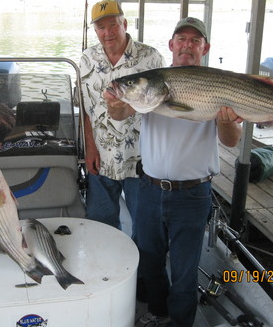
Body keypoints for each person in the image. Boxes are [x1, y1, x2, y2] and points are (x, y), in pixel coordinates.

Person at [104, 17, 243, 327]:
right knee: (150, 262)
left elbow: (231, 140)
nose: (187, 45)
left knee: (184, 269)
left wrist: (224, 120)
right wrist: (115, 100)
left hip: (193, 194)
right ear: (171, 45)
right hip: (150, 190)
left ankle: (181, 322)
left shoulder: (217, 83)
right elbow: (120, 111)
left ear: (205, 48)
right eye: (181, 39)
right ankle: (158, 310)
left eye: (195, 41)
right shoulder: (153, 84)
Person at [79, 0, 164, 238]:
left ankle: (144, 272)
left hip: (141, 159)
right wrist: (90, 149)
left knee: (146, 227)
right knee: (101, 225)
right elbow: (87, 110)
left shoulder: (151, 58)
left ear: (124, 24)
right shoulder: (87, 59)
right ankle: (108, 269)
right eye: (101, 28)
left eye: (113, 25)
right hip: (102, 158)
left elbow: (161, 107)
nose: (108, 33)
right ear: (95, 31)